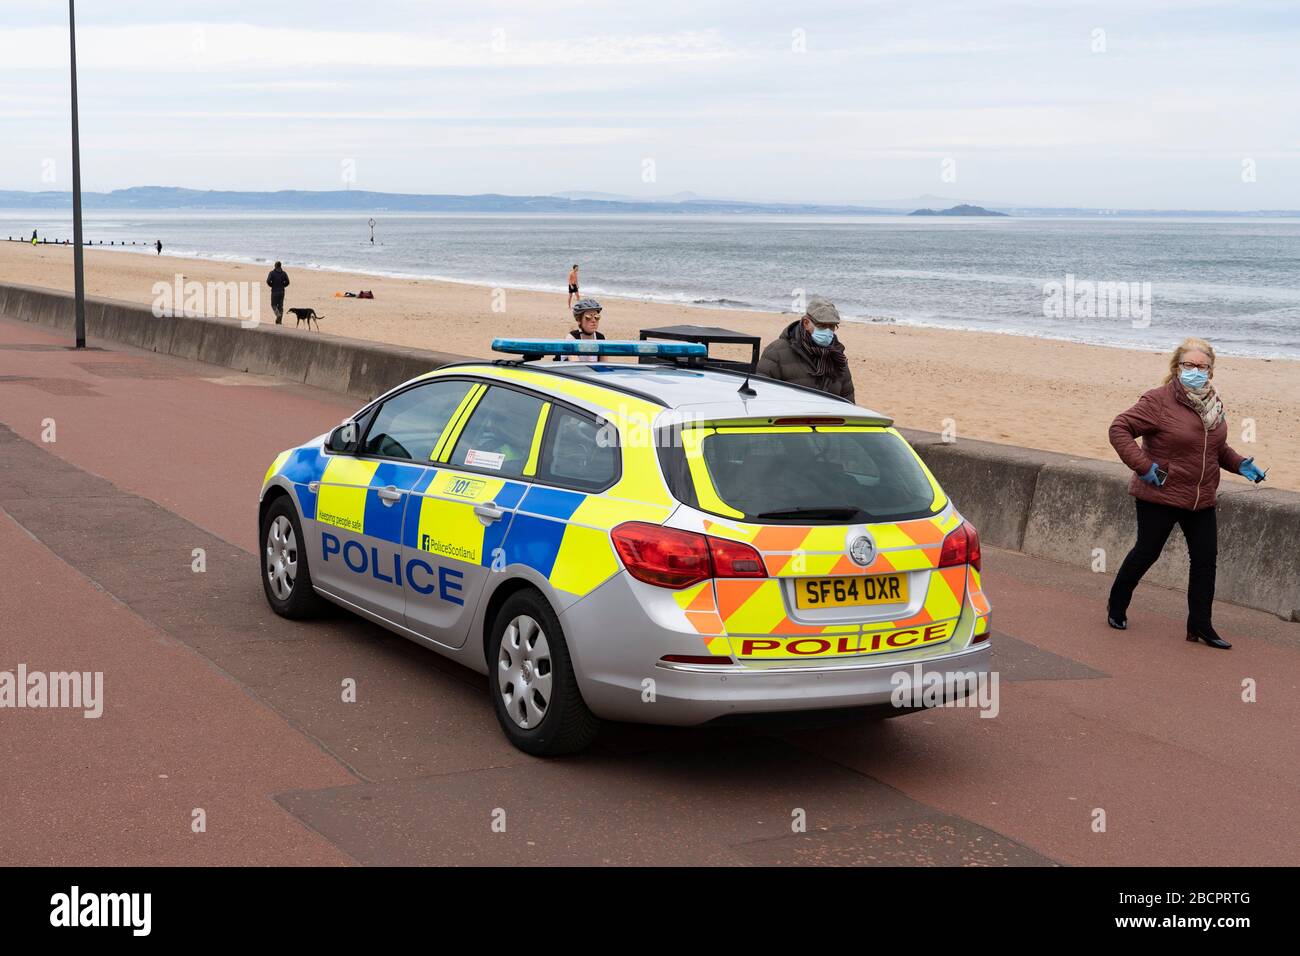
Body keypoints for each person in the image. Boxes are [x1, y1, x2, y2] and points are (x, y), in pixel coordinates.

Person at [1107, 337, 1266, 650]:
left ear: (1211, 371)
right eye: (1189, 365)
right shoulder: (1158, 401)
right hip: (1161, 494)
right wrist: (1143, 466)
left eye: (1203, 366)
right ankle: (1117, 604)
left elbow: (1216, 449)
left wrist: (1240, 464)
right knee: (1146, 552)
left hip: (1201, 497)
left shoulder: (1213, 405)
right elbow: (1119, 428)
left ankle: (1200, 625)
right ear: (1176, 367)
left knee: (1206, 560)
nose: (1196, 370)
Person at [756, 295, 855, 401]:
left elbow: (848, 399)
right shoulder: (776, 352)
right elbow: (762, 396)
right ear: (806, 323)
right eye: (822, 326)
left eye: (831, 326)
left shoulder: (837, 357)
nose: (827, 331)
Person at [556, 298, 606, 362]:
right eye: (588, 317)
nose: (593, 320)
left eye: (597, 317)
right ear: (579, 320)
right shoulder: (572, 338)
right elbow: (575, 365)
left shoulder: (600, 338)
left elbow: (604, 366)